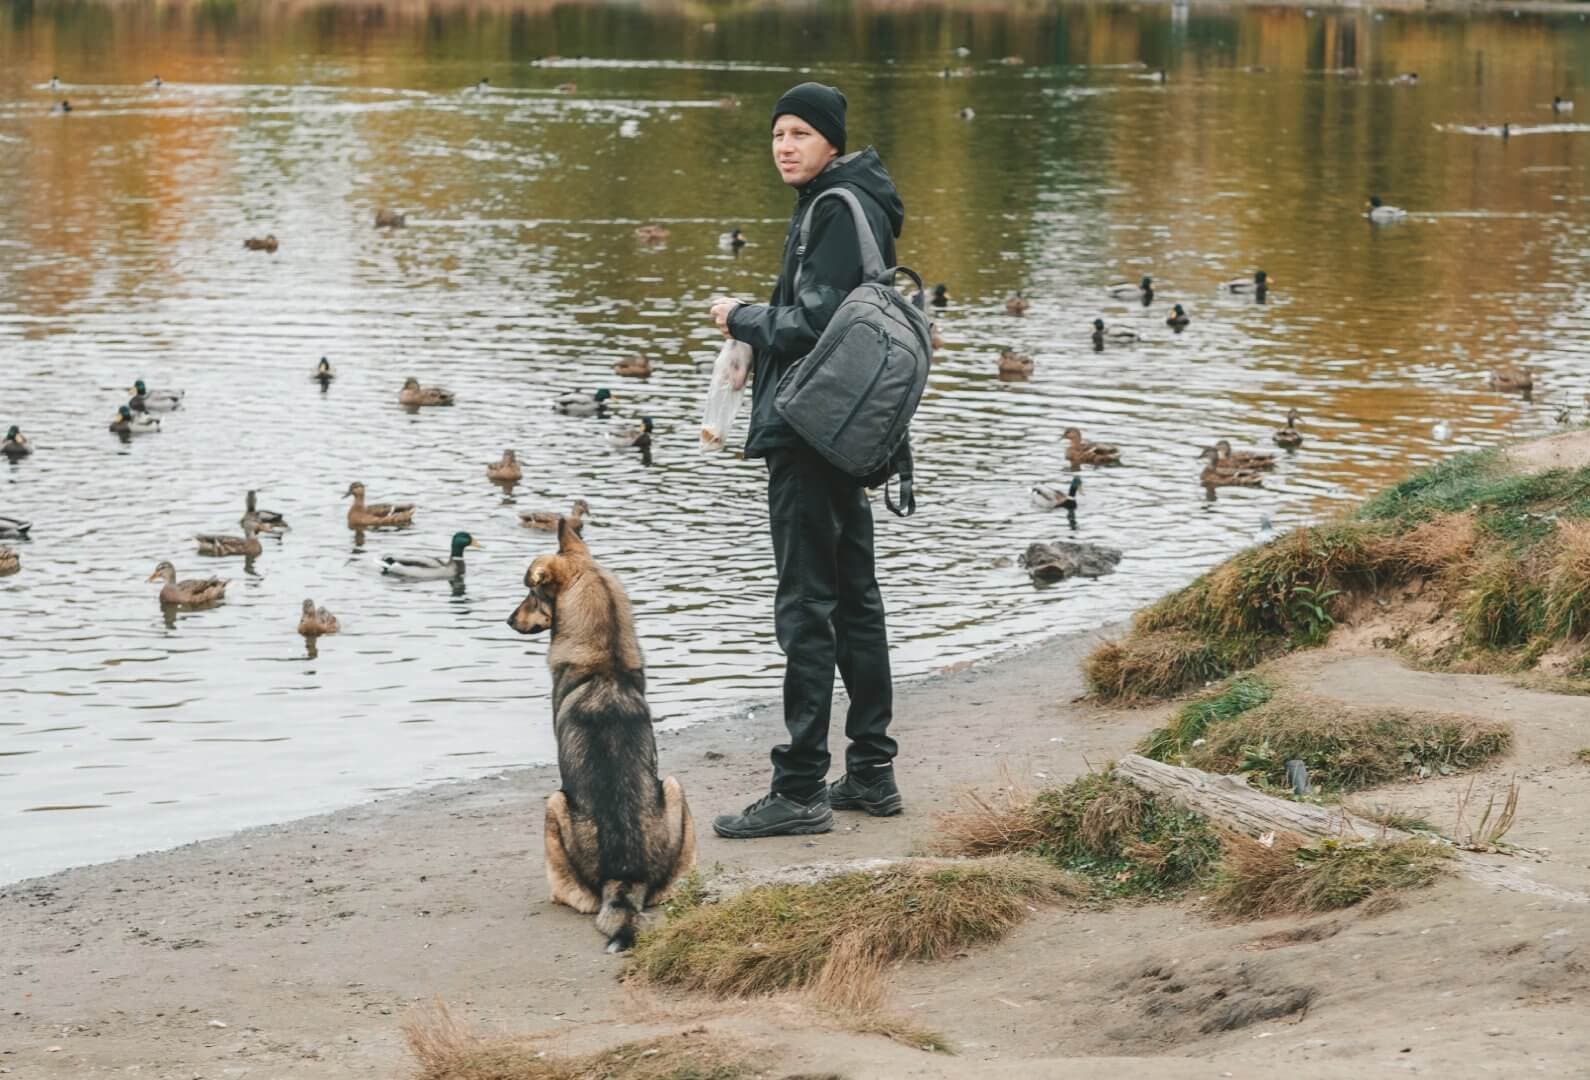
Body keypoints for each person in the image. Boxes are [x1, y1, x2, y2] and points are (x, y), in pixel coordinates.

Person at [708, 82, 905, 839]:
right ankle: (872, 773)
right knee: (856, 599)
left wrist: (742, 318)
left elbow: (815, 320)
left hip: (810, 435)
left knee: (806, 610)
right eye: (776, 133)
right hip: (849, 433)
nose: (784, 145)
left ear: (829, 141)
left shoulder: (829, 209)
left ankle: (798, 789)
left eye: (798, 132)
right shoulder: (862, 204)